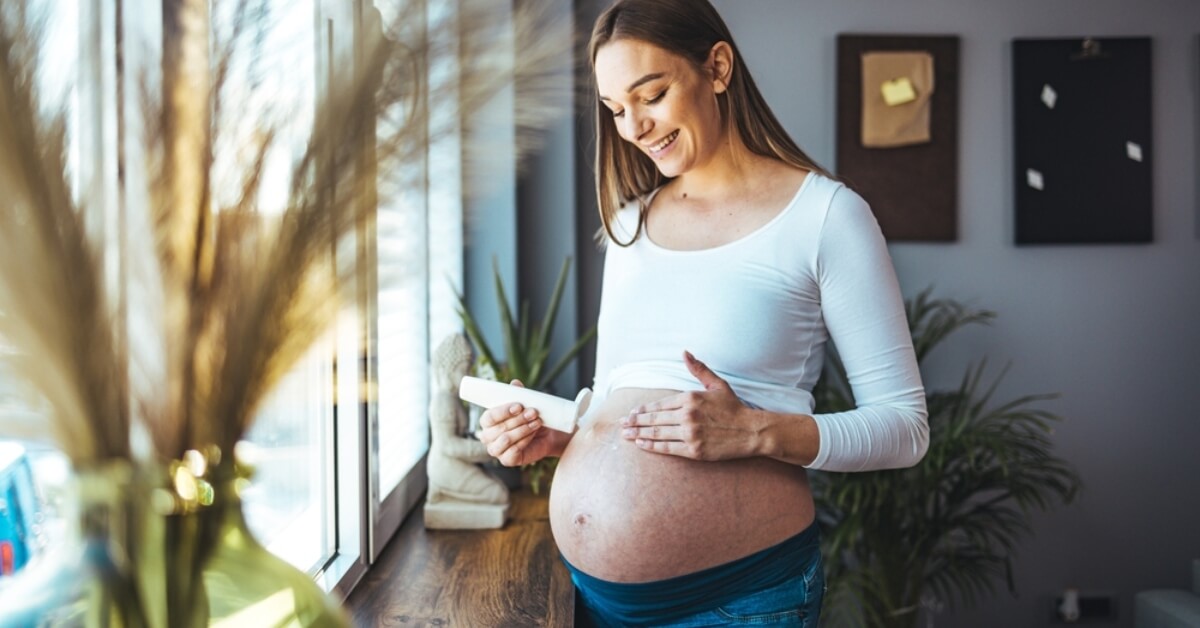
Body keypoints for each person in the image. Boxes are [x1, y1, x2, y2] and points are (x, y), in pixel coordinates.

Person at [476, 0, 929, 625]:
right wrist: (563, 435)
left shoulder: (828, 217)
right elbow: (618, 394)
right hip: (596, 600)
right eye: (615, 110)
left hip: (739, 599)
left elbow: (905, 428)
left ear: (717, 67)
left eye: (651, 94)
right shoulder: (629, 223)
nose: (632, 126)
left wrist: (755, 431)